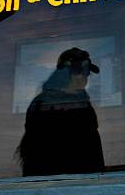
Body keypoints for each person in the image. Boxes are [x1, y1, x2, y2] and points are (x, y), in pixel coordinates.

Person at [17, 47, 105, 176]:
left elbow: (92, 147)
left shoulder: (84, 104)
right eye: (81, 71)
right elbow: (34, 152)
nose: (85, 78)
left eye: (86, 73)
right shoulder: (43, 104)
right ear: (67, 72)